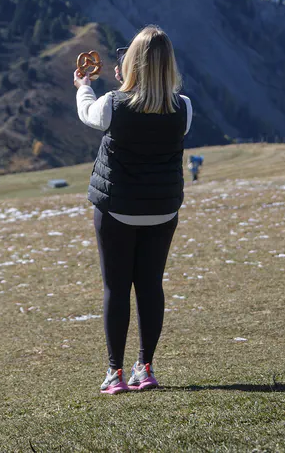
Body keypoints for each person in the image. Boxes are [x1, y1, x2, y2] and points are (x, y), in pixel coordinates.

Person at [74, 25, 192, 394]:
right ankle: (146, 368)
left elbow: (89, 114)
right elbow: (154, 106)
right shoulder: (184, 108)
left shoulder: (112, 104)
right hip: (162, 210)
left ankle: (115, 373)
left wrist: (84, 86)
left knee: (116, 287)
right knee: (150, 286)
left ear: (133, 64)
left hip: (117, 209)